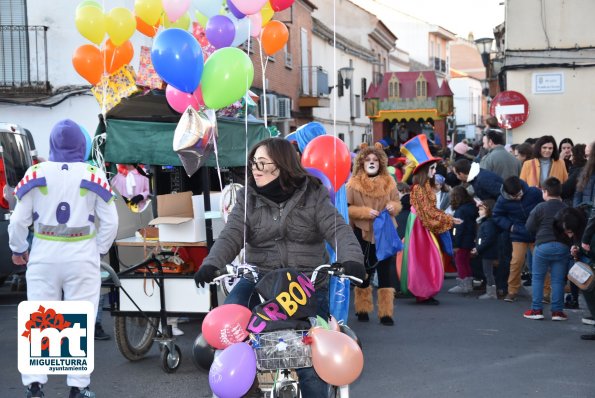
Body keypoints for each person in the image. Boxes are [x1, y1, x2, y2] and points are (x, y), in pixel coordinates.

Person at [193, 138, 364, 398]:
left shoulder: (313, 194)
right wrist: (212, 263)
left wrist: (352, 259)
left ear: (282, 166)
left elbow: (338, 229)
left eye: (262, 163)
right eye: (253, 163)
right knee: (231, 333)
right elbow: (231, 234)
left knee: (310, 359)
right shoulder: (247, 197)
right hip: (260, 279)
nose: (255, 169)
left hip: (305, 283)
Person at [8, 119, 119, 398]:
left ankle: (35, 386)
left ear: (53, 143)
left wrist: (19, 249)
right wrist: (99, 249)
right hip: (82, 257)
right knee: (79, 319)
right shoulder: (94, 174)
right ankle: (78, 387)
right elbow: (111, 222)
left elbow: (18, 221)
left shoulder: (35, 173)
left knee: (39, 318)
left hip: (43, 257)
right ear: (81, 144)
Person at [399, 135, 462, 305]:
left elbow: (430, 211)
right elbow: (427, 212)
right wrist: (448, 220)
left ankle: (426, 292)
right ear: (424, 170)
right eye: (432, 168)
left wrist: (447, 218)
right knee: (423, 259)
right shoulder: (419, 188)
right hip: (419, 228)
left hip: (422, 226)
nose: (435, 171)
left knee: (428, 259)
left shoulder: (425, 186)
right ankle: (422, 292)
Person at [346, 143, 401, 326]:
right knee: (364, 272)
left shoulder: (389, 182)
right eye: (368, 160)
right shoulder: (353, 184)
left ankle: (386, 313)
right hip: (363, 233)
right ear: (361, 162)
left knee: (386, 272)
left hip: (384, 233)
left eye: (375, 160)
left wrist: (393, 207)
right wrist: (363, 211)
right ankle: (362, 309)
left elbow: (396, 202)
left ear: (381, 162)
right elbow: (347, 209)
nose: (371, 163)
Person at [524, 177, 570, 321]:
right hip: (562, 246)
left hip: (543, 245)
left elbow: (529, 227)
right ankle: (557, 312)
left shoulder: (540, 207)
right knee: (558, 280)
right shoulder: (566, 208)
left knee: (538, 278)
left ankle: (536, 310)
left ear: (545, 192)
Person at [492, 176, 543, 302]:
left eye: (519, 194)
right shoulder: (502, 200)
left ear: (522, 188)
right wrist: (510, 226)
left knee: (541, 263)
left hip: (537, 233)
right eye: (514, 197)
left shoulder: (534, 192)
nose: (518, 197)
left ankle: (546, 293)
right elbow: (497, 215)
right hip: (517, 233)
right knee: (516, 262)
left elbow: (545, 205)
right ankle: (512, 291)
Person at [447, 186, 479, 294]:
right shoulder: (471, 207)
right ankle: (469, 283)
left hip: (461, 241)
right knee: (466, 262)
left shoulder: (460, 211)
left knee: (459, 262)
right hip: (470, 239)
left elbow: (457, 229)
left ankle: (463, 284)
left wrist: (455, 243)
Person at [472, 200, 499, 299]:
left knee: (488, 272)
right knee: (487, 271)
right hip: (486, 251)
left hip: (488, 252)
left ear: (489, 210)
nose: (479, 211)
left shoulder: (488, 223)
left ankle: (491, 293)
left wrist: (478, 249)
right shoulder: (486, 222)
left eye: (481, 209)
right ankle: (490, 291)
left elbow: (489, 239)